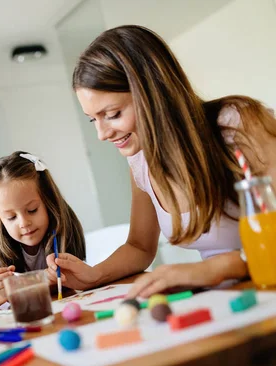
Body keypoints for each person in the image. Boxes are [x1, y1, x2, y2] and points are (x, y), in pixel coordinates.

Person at [47, 25, 276, 299]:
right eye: (93, 119)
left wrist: (218, 268)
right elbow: (140, 247)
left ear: (152, 93)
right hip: (232, 300)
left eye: (113, 113)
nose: (102, 134)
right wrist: (94, 274)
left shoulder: (238, 125)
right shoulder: (141, 161)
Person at [0, 151, 86, 310]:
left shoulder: (64, 226)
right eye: (11, 217)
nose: (24, 223)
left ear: (48, 201)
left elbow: (72, 281)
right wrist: (4, 292)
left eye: (32, 210)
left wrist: (41, 281)